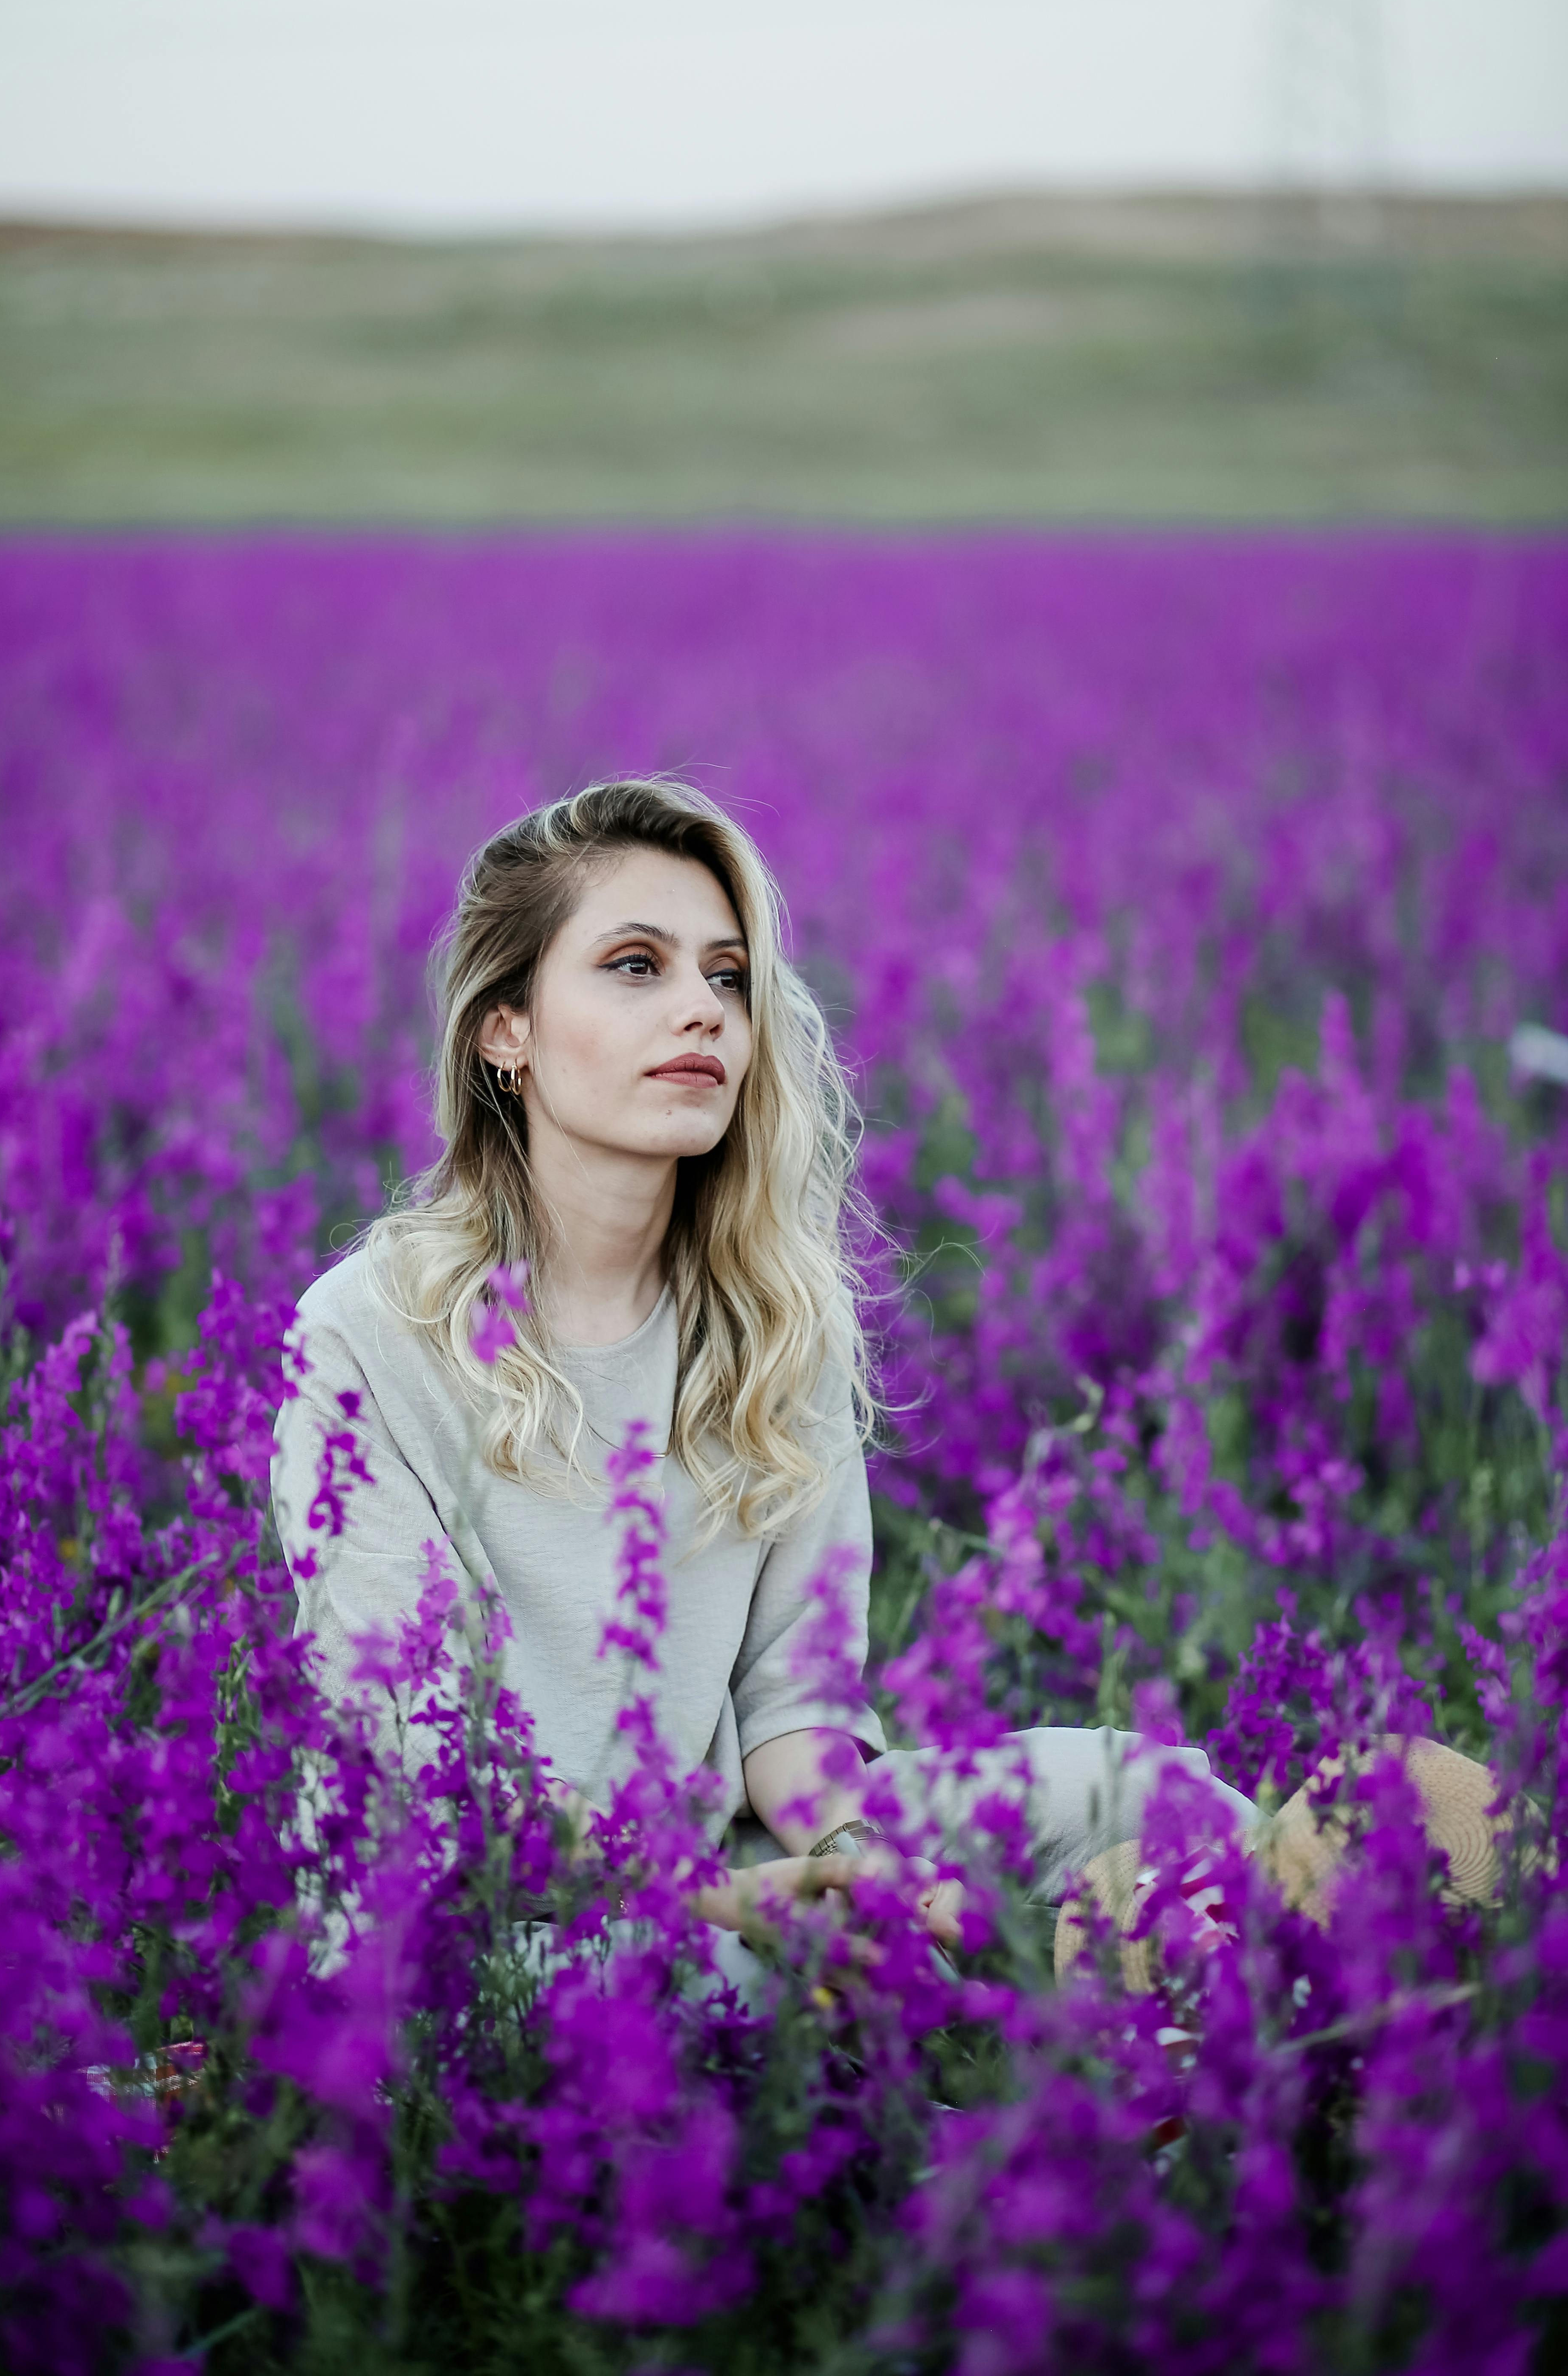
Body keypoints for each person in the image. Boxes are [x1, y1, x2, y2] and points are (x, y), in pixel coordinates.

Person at [269, 777, 1265, 1968]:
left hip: (730, 1857)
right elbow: (423, 1776)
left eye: (728, 977)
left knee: (1151, 1793)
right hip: (473, 1924)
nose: (702, 1010)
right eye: (636, 966)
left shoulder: (778, 1322)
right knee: (714, 1992)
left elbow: (796, 1709)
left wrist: (857, 1858)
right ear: (507, 1031)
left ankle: (1251, 2059)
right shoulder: (367, 1336)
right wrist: (728, 1899)